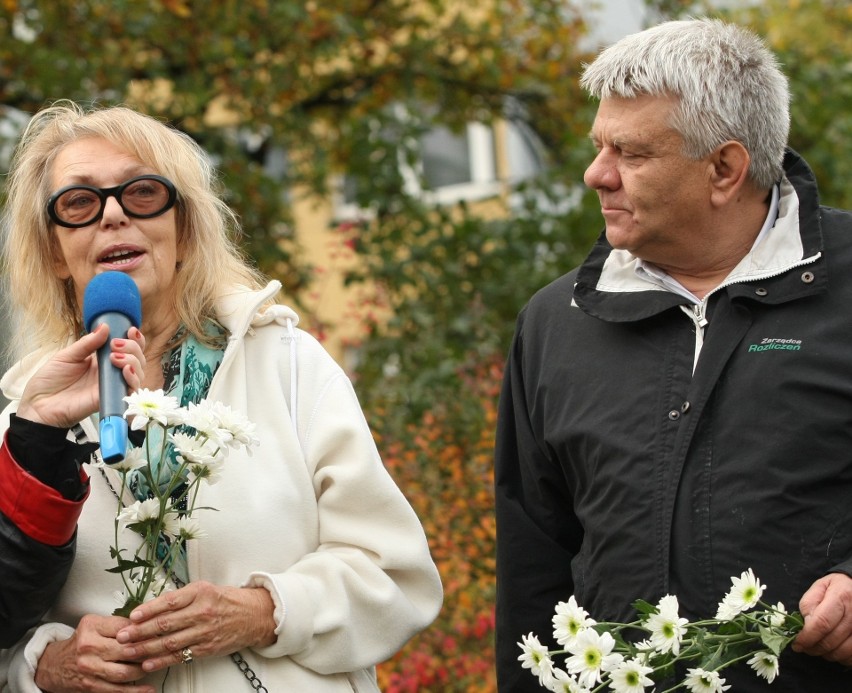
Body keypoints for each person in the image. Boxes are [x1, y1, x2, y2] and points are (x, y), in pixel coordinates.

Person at [0, 102, 443, 692]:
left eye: (143, 193)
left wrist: (265, 611)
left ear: (182, 229)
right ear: (55, 251)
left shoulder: (285, 365)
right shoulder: (26, 424)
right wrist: (43, 667)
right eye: (79, 204)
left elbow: (396, 577)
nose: (112, 216)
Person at [495, 17, 852, 692]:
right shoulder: (553, 323)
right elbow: (532, 568)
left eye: (631, 154)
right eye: (600, 145)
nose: (594, 174)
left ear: (724, 168)